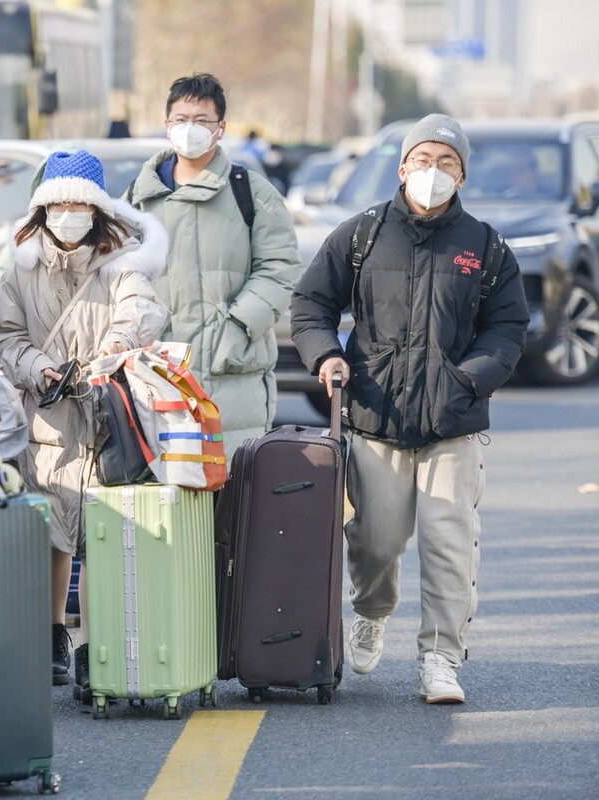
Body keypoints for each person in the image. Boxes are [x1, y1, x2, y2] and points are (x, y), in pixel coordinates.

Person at [290, 113, 529, 704]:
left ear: (463, 175)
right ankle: (371, 612)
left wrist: (467, 381)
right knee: (374, 540)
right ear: (401, 168)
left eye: (447, 162)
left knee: (449, 545)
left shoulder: (485, 246)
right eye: (423, 159)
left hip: (453, 423)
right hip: (375, 418)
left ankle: (441, 658)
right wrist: (326, 357)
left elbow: (508, 328)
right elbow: (310, 303)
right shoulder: (362, 234)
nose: (434, 171)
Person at [0, 150, 169, 698]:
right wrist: (34, 366)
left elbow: (141, 309)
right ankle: (51, 638)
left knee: (100, 534)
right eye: (58, 202)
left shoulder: (123, 262)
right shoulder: (19, 268)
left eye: (79, 203)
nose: (68, 212)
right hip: (43, 420)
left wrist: (116, 344)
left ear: (98, 208)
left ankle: (98, 647)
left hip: (104, 417)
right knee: (49, 530)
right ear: (41, 207)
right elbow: (2, 337)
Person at [124, 73, 302, 456]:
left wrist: (236, 325)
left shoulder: (250, 191)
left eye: (202, 120)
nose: (191, 129)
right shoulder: (138, 202)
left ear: (221, 129)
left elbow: (281, 266)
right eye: (181, 119)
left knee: (234, 502)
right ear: (166, 125)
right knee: (167, 507)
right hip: (158, 379)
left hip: (232, 377)